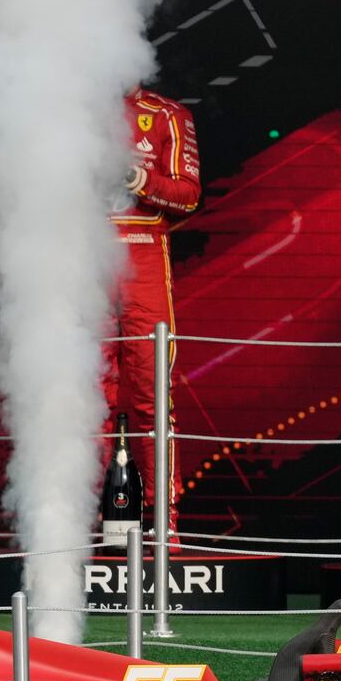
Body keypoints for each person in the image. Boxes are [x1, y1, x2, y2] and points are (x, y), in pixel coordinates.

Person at [109, 87, 201, 537]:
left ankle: (165, 525)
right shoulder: (62, 104)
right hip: (76, 258)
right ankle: (72, 523)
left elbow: (188, 197)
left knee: (152, 398)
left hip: (144, 258)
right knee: (79, 400)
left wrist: (137, 180)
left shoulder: (166, 114)